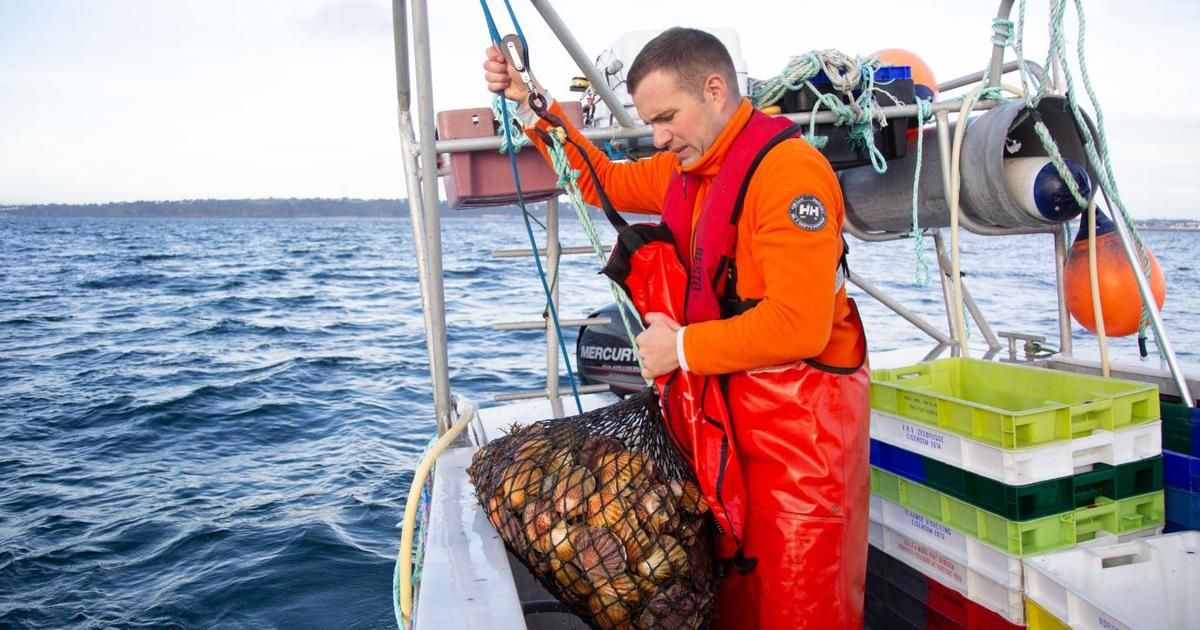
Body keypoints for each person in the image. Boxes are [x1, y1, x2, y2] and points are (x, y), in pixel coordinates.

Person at [484, 27, 870, 629]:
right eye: (651, 123)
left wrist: (681, 348)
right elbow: (603, 181)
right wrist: (533, 105)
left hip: (802, 449)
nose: (659, 137)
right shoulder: (685, 169)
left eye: (666, 118)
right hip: (725, 432)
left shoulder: (791, 176)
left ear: (714, 90)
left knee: (800, 607)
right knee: (735, 600)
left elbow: (801, 326)